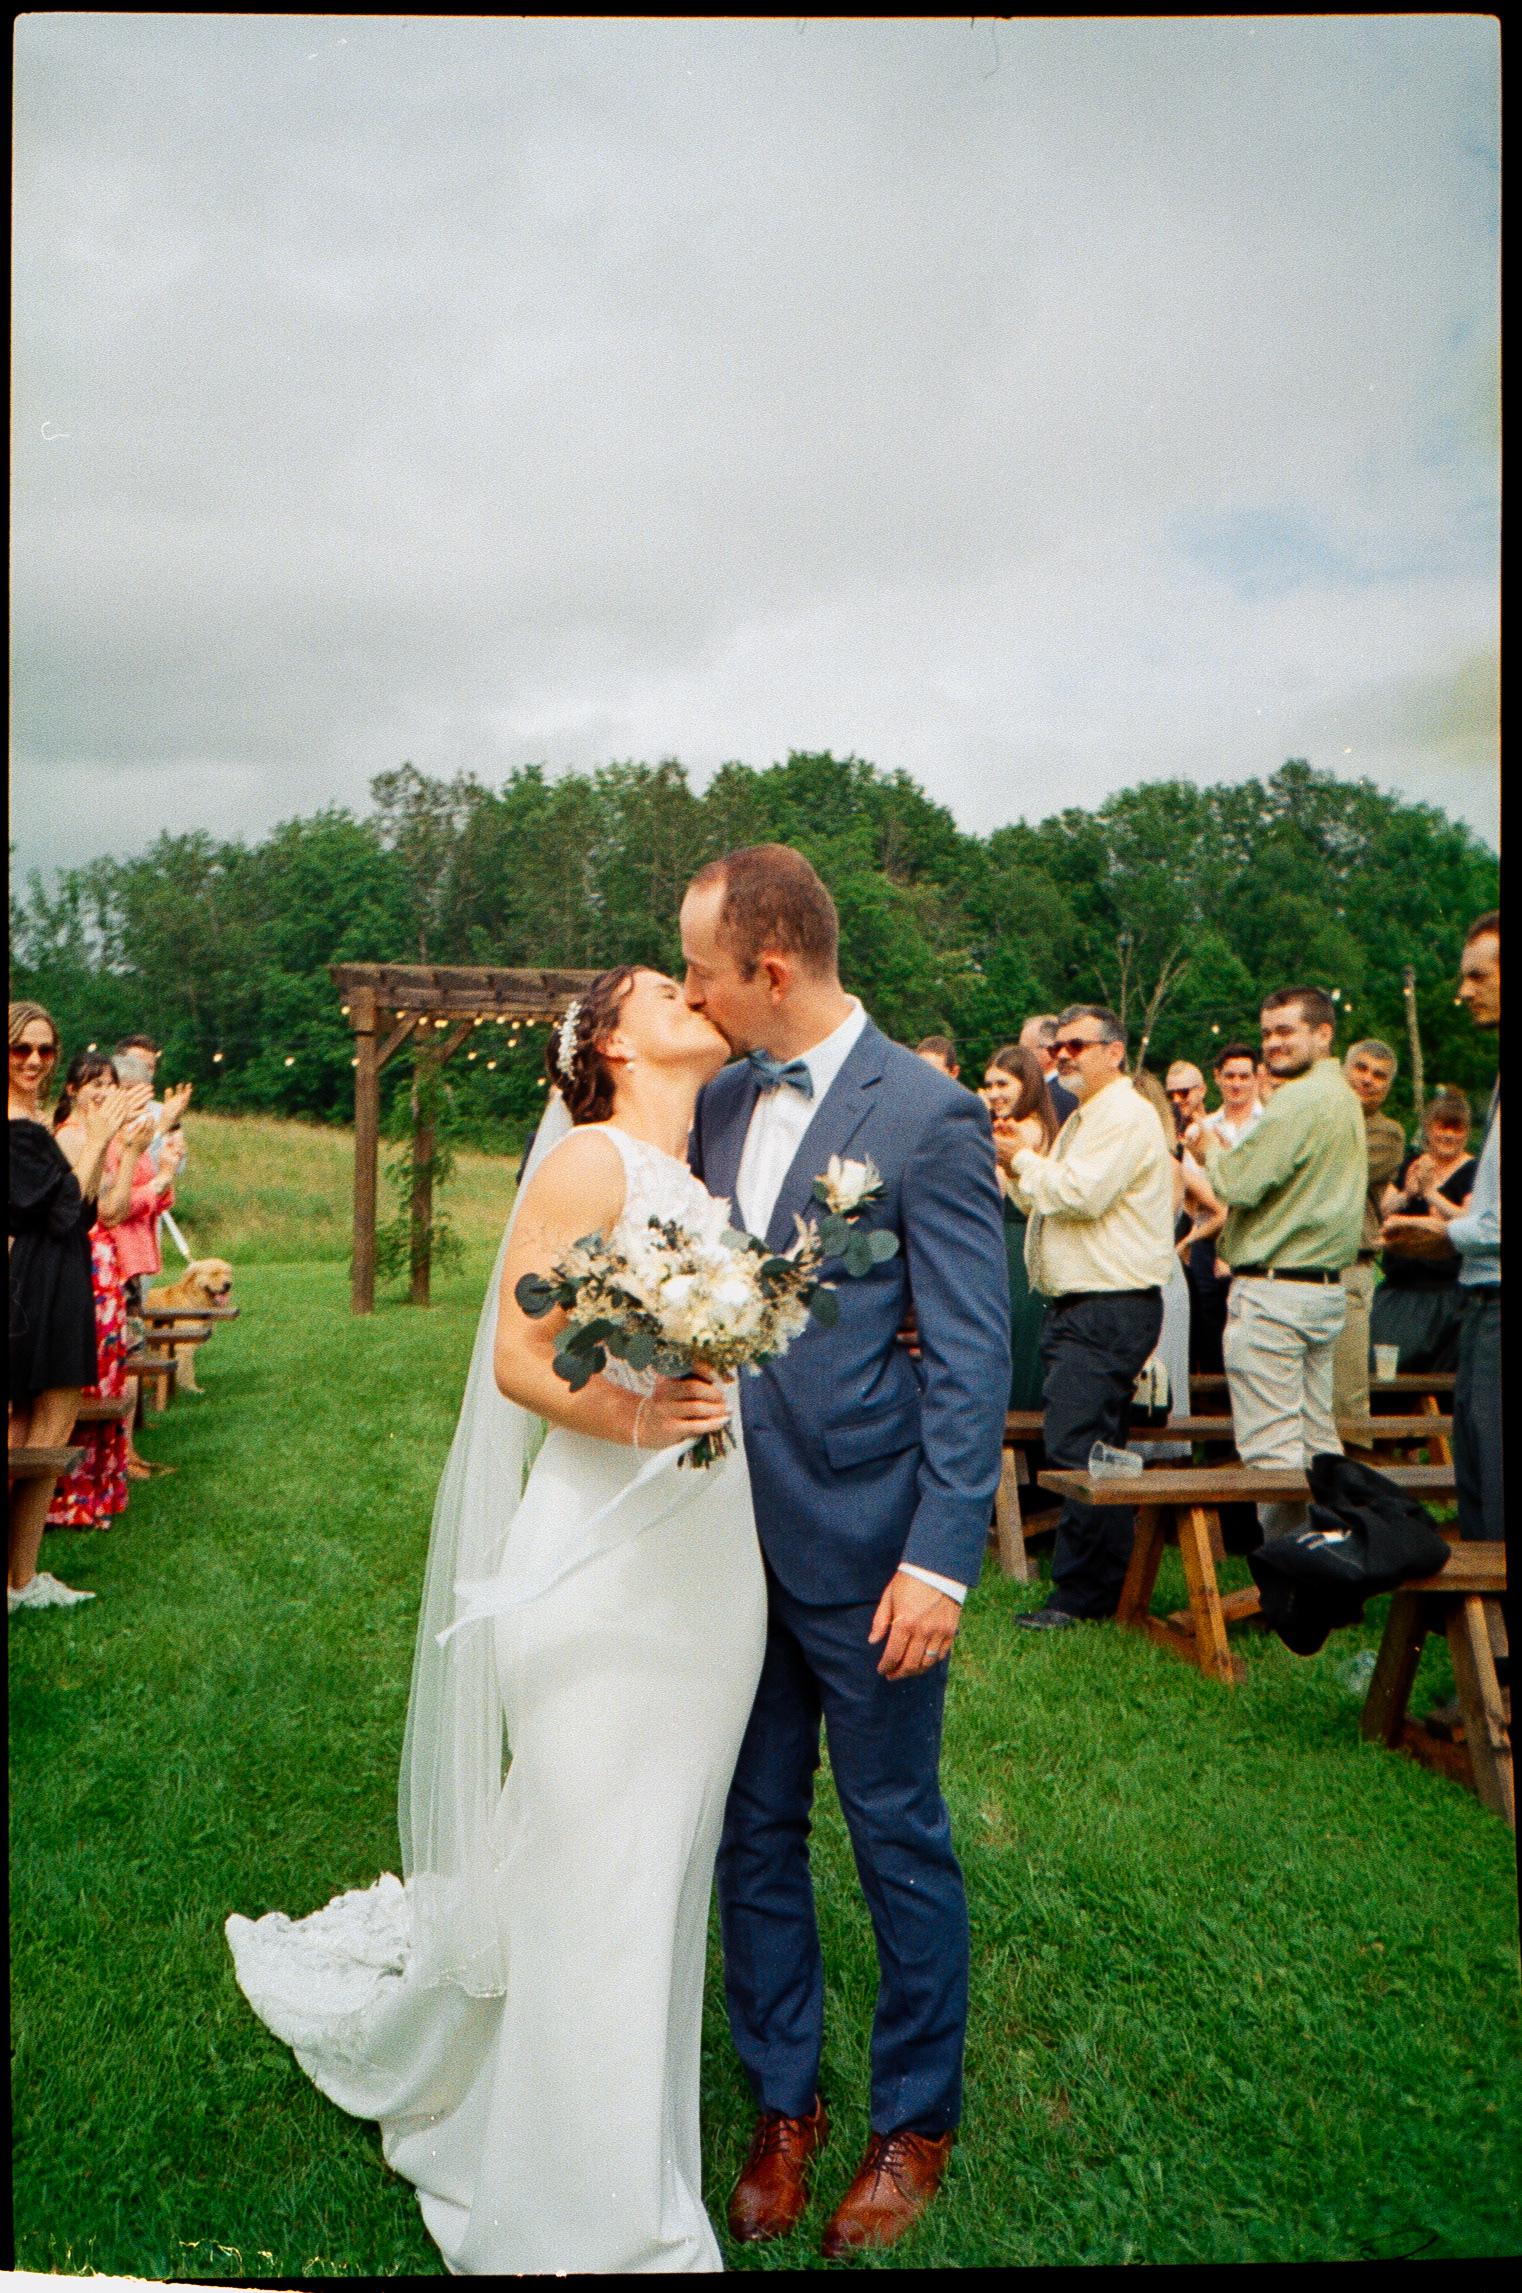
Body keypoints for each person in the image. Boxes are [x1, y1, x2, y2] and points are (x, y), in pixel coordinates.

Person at [229, 963, 764, 2272]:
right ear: (607, 1041)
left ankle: (610, 2144)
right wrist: (640, 1412)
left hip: (710, 1564)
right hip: (599, 1551)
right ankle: (589, 2221)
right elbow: (524, 1359)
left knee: (655, 1867)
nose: (691, 992)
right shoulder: (588, 1162)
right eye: (659, 986)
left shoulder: (700, 1176)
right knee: (601, 1857)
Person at [682, 845, 1010, 2259]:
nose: (688, 994)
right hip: (716, 1553)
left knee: (893, 1834)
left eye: (700, 966)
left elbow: (971, 1354)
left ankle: (911, 2121)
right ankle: (780, 2103)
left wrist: (937, 1562)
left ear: (768, 965)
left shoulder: (928, 1116)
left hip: (871, 1551)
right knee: (752, 1830)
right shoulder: (713, 1101)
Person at [1004, 1006, 1176, 1629]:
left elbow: (1079, 1194)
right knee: (1098, 1448)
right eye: (1058, 1046)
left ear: (1116, 1052)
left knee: (1079, 1448)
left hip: (1107, 1305)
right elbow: (1055, 1198)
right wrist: (1017, 1167)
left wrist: (1023, 1160)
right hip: (1092, 1305)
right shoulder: (1095, 1113)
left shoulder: (1123, 1115)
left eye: (1077, 1044)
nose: (1063, 1054)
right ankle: (1108, 1586)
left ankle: (1080, 1598)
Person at [1187, 988, 1365, 1540]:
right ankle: (1335, 1567)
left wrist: (1209, 1148)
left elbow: (1236, 1183)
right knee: (1318, 1446)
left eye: (1286, 1031)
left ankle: (1293, 1592)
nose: (1273, 1044)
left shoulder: (1299, 1100)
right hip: (1320, 1291)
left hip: (1276, 1293)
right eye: (1267, 1033)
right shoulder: (1340, 1094)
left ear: (1324, 1033)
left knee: (1273, 1453)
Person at [9, 1004, 141, 1611]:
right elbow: (65, 1210)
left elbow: (83, 1209)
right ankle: (17, 1577)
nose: (35, 1061)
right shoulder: (15, 1125)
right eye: (21, 1050)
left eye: (45, 1050)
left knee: (48, 1429)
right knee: (33, 1431)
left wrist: (117, 1142)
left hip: (59, 1273)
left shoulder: (34, 1119)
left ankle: (21, 1578)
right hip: (34, 1282)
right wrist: (103, 1137)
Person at [1383, 913, 1499, 1542]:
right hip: (1476, 1293)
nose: (1464, 990)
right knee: (1477, 1465)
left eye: (1478, 975)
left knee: (1493, 1471)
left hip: (1489, 1294)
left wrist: (1440, 1233)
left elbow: (1496, 1222)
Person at [46, 1055, 157, 1531]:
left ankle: (95, 1492)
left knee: (106, 1377)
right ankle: (69, 1498)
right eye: (91, 1084)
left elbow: (112, 1206)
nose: (100, 1092)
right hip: (80, 1267)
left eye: (107, 1084)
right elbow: (91, 1210)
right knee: (82, 1385)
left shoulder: (100, 1138)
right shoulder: (71, 1136)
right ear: (71, 1090)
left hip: (104, 1271)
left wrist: (131, 1148)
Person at [1370, 1090, 1477, 1375]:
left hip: (1445, 1292)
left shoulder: (1472, 1170)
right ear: (1429, 1128)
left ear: (1466, 1132)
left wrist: (1431, 1194)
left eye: (1457, 1128)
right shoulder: (1413, 1163)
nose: (1448, 1135)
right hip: (1400, 1288)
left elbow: (1469, 1218)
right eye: (1442, 1126)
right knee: (1374, 1358)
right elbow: (1385, 1208)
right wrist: (1408, 1193)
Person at [980, 1043, 1059, 1411]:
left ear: (1026, 1084)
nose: (994, 1093)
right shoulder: (1039, 1125)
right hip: (1020, 1249)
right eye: (989, 1085)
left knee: (1017, 1355)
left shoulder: (1023, 1131)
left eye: (1003, 1083)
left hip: (1018, 1253)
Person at [1333, 1039, 1407, 1418]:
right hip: (1301, 1266)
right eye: (1360, 1068)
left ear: (1388, 1086)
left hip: (1350, 1266)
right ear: (1344, 1070)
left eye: (1379, 1075)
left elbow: (1340, 1170)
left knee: (1346, 1397)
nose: (1368, 1079)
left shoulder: (1388, 1134)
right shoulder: (1321, 1117)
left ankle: (1352, 1470)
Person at [1126, 1072, 1194, 1462]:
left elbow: (1152, 1225)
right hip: (1137, 1273)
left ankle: (1156, 1482)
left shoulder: (1167, 1164)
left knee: (1156, 1385)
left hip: (1157, 1277)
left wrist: (1185, 1244)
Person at [1168, 1060, 1230, 1374]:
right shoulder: (1171, 1134)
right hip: (1182, 1230)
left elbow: (1224, 1201)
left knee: (1208, 1323)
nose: (1177, 1100)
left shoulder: (1216, 1132)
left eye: (1184, 1092)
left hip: (1210, 1238)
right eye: (1171, 1094)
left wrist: (1192, 1240)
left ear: (1202, 1090)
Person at [1019, 1015, 1078, 1124]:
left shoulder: (1046, 1098)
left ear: (1049, 1052)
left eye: (1024, 1051)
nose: (1018, 1059)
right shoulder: (1077, 1090)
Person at [1204, 1042, 1262, 1148]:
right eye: (1230, 1077)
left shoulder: (1268, 1123)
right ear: (1217, 1076)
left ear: (1256, 1078)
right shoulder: (1205, 1129)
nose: (1236, 1085)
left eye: (1244, 1077)